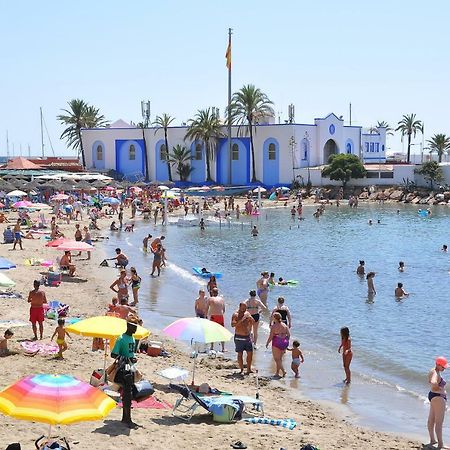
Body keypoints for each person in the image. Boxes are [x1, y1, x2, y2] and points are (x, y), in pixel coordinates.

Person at [111, 322, 138, 428]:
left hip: (130, 368)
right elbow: (113, 354)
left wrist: (133, 358)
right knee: (127, 394)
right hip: (124, 369)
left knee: (128, 394)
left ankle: (125, 418)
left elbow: (131, 353)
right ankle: (127, 420)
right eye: (134, 327)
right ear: (129, 327)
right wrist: (126, 358)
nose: (135, 330)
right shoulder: (121, 338)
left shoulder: (132, 338)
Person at [427, 356, 448, 449]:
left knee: (431, 419)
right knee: (439, 422)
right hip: (438, 398)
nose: (444, 368)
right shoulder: (436, 372)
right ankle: (440, 444)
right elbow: (433, 381)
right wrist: (439, 388)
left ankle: (432, 439)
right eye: (443, 367)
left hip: (432, 395)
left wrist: (436, 387)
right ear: (438, 365)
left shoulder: (433, 370)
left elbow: (430, 380)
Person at [231, 303, 255, 375]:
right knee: (240, 354)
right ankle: (241, 369)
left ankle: (249, 369)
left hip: (247, 336)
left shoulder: (247, 313)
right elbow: (233, 325)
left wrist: (251, 319)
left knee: (250, 353)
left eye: (246, 308)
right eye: (243, 308)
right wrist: (242, 320)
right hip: (239, 337)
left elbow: (253, 322)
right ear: (240, 307)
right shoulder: (235, 314)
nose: (244, 309)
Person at [266, 312, 290, 378]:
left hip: (277, 341)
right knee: (280, 359)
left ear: (275, 318)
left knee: (277, 359)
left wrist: (267, 343)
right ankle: (277, 373)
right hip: (284, 342)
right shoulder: (285, 325)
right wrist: (286, 342)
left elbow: (271, 336)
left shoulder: (274, 326)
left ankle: (283, 371)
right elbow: (289, 335)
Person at [206, 287, 225, 352]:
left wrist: (206, 316)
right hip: (220, 316)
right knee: (222, 331)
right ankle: (223, 348)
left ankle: (212, 347)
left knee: (212, 331)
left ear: (212, 292)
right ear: (217, 292)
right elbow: (224, 310)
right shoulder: (221, 299)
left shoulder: (210, 299)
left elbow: (206, 308)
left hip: (213, 316)